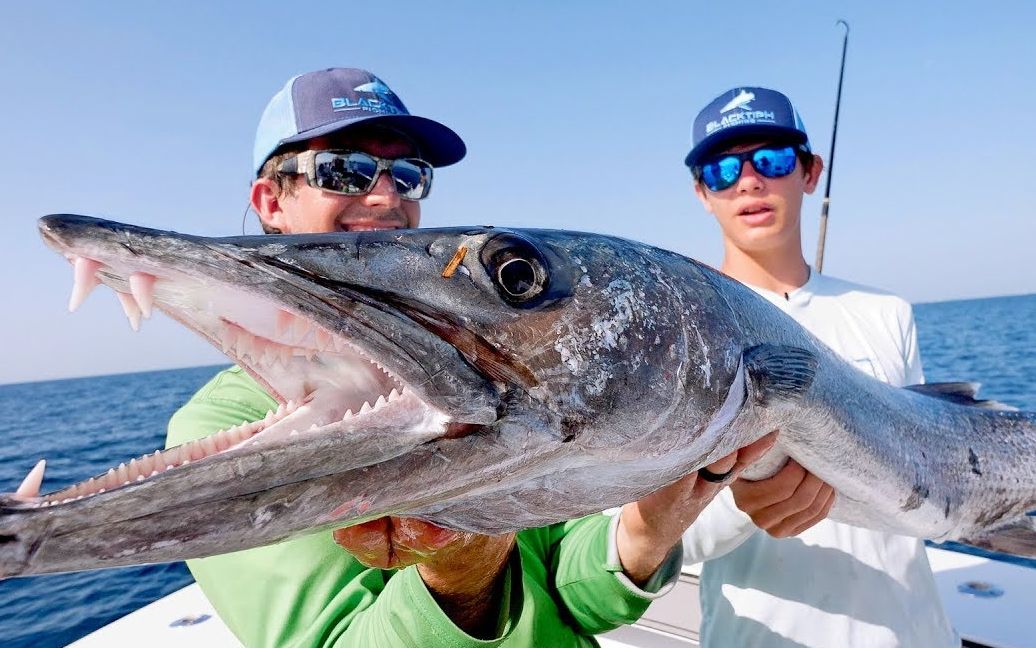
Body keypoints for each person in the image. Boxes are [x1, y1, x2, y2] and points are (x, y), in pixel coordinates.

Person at [162, 67, 774, 648]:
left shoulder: (478, 366)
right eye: (342, 171)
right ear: (270, 202)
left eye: (406, 175)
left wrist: (648, 530)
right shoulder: (222, 427)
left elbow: (570, 596)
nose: (384, 196)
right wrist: (462, 576)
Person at [680, 86, 960, 647]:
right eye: (722, 169)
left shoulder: (887, 312)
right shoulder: (685, 333)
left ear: (810, 172)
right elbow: (653, 545)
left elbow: (930, 476)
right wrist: (740, 504)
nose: (750, 180)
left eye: (773, 159)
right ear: (702, 193)